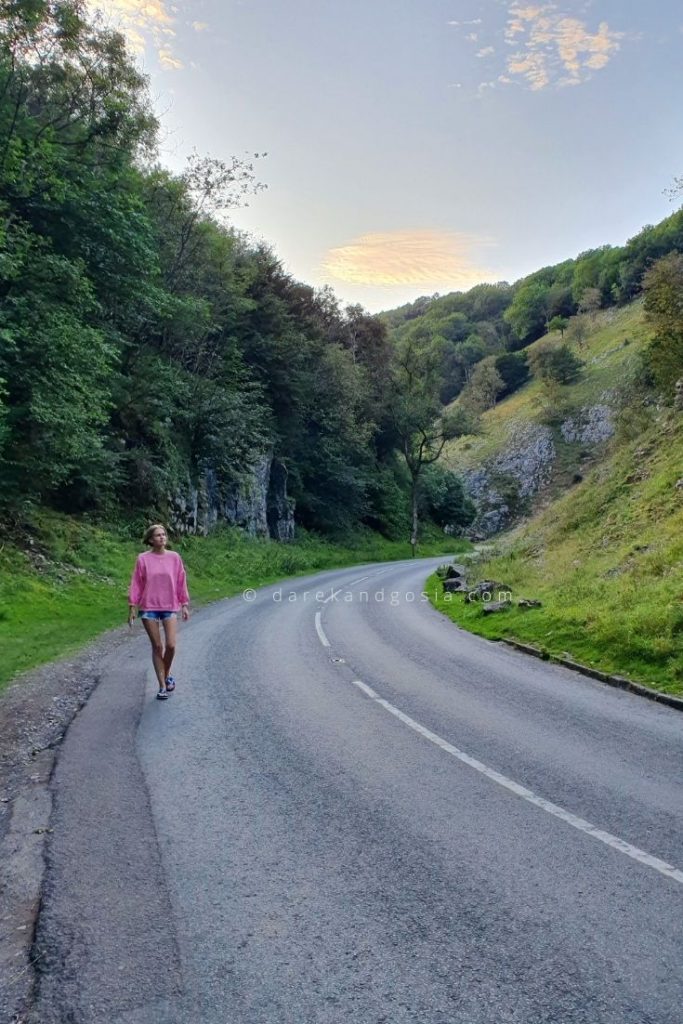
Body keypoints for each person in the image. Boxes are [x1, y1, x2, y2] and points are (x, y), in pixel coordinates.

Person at [128, 524, 190, 700]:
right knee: (157, 647)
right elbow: (137, 583)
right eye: (157, 535)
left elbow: (180, 581)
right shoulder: (143, 559)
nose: (162, 537)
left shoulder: (174, 557)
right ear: (150, 539)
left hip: (170, 606)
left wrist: (184, 604)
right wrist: (132, 605)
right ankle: (162, 686)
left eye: (164, 534)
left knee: (170, 645)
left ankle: (166, 672)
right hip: (148, 608)